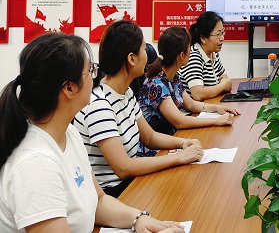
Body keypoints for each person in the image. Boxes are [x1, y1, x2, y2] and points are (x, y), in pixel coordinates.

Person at [0, 33, 186, 232]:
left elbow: (98, 200)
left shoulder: (69, 133)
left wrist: (138, 218)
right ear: (69, 88)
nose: (96, 76)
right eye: (90, 70)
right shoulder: (36, 165)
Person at [73, 20, 204, 197]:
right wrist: (179, 157)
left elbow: (149, 136)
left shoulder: (125, 92)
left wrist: (182, 143)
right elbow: (124, 168)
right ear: (131, 59)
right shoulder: (99, 104)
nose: (148, 55)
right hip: (113, 193)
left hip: (131, 183)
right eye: (143, 49)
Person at [138, 26, 239, 145]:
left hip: (172, 138)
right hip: (156, 147)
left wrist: (217, 108)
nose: (191, 51)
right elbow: (179, 121)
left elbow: (190, 104)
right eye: (189, 48)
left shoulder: (173, 77)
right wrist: (215, 120)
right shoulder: (157, 84)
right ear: (182, 55)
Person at [179, 11, 232, 101]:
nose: (222, 38)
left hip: (210, 104)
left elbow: (225, 79)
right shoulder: (193, 56)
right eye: (217, 34)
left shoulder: (213, 53)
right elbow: (198, 94)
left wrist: (223, 85)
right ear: (203, 38)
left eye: (222, 33)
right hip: (193, 109)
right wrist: (222, 86)